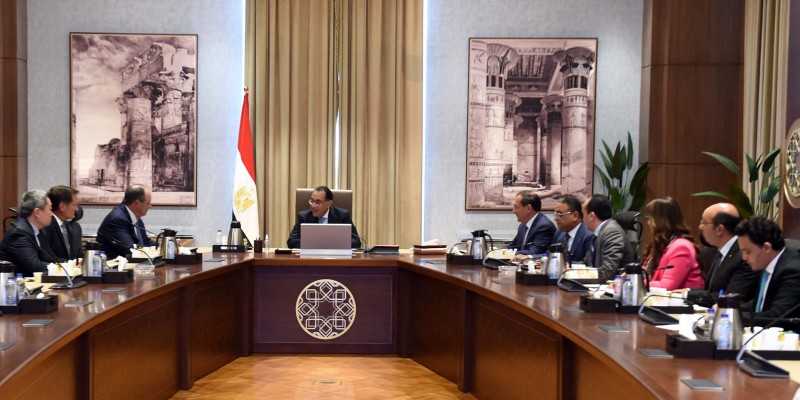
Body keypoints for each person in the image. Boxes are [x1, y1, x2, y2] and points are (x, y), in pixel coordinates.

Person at [688, 203, 759, 307]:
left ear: (719, 229)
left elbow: (730, 297)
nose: (700, 227)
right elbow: (711, 292)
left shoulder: (743, 256)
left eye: (704, 222)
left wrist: (687, 294)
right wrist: (687, 292)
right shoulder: (719, 251)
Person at [735, 217, 800, 326]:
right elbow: (761, 304)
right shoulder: (766, 262)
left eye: (748, 252)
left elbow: (777, 316)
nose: (744, 258)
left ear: (766, 248)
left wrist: (733, 317)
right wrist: (729, 308)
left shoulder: (793, 270)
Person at [641, 197, 704, 290]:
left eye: (650, 219)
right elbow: (646, 274)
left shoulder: (681, 247)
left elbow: (667, 286)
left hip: (681, 299)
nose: (648, 223)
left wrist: (635, 283)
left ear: (661, 221)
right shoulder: (661, 244)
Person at [0, 190, 57, 276]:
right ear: (37, 212)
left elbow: (50, 258)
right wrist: (59, 269)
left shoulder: (39, 231)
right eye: (50, 209)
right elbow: (34, 266)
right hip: (15, 283)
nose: (52, 214)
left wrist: (69, 265)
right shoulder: (19, 234)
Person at [287, 186, 362, 248]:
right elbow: (291, 242)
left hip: (335, 257)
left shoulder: (342, 216)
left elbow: (356, 242)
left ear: (329, 203)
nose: (313, 205)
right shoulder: (304, 216)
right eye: (311, 201)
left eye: (318, 202)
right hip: (310, 257)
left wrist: (329, 244)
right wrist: (317, 244)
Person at [582, 194, 634, 281]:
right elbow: (588, 263)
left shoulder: (611, 232)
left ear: (591, 216)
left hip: (614, 286)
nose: (582, 219)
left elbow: (608, 272)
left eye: (583, 214)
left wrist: (580, 277)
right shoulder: (599, 232)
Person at [97, 185, 154, 258]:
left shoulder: (135, 217)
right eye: (147, 203)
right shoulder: (117, 219)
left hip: (134, 263)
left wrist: (160, 248)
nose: (150, 206)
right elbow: (130, 250)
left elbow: (145, 242)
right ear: (136, 203)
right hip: (113, 264)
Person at [41, 185, 83, 261]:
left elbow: (78, 256)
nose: (77, 209)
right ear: (62, 206)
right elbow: (48, 258)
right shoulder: (45, 227)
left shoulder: (74, 227)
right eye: (74, 205)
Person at [507, 190, 555, 255]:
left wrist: (511, 254)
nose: (513, 211)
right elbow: (514, 246)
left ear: (528, 208)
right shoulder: (523, 225)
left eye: (516, 207)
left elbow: (535, 252)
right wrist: (501, 252)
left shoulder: (544, 226)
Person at [552, 195, 594, 263]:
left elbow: (587, 263)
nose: (556, 219)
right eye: (555, 214)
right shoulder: (559, 233)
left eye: (559, 214)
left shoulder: (588, 236)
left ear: (575, 215)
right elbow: (551, 254)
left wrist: (564, 265)